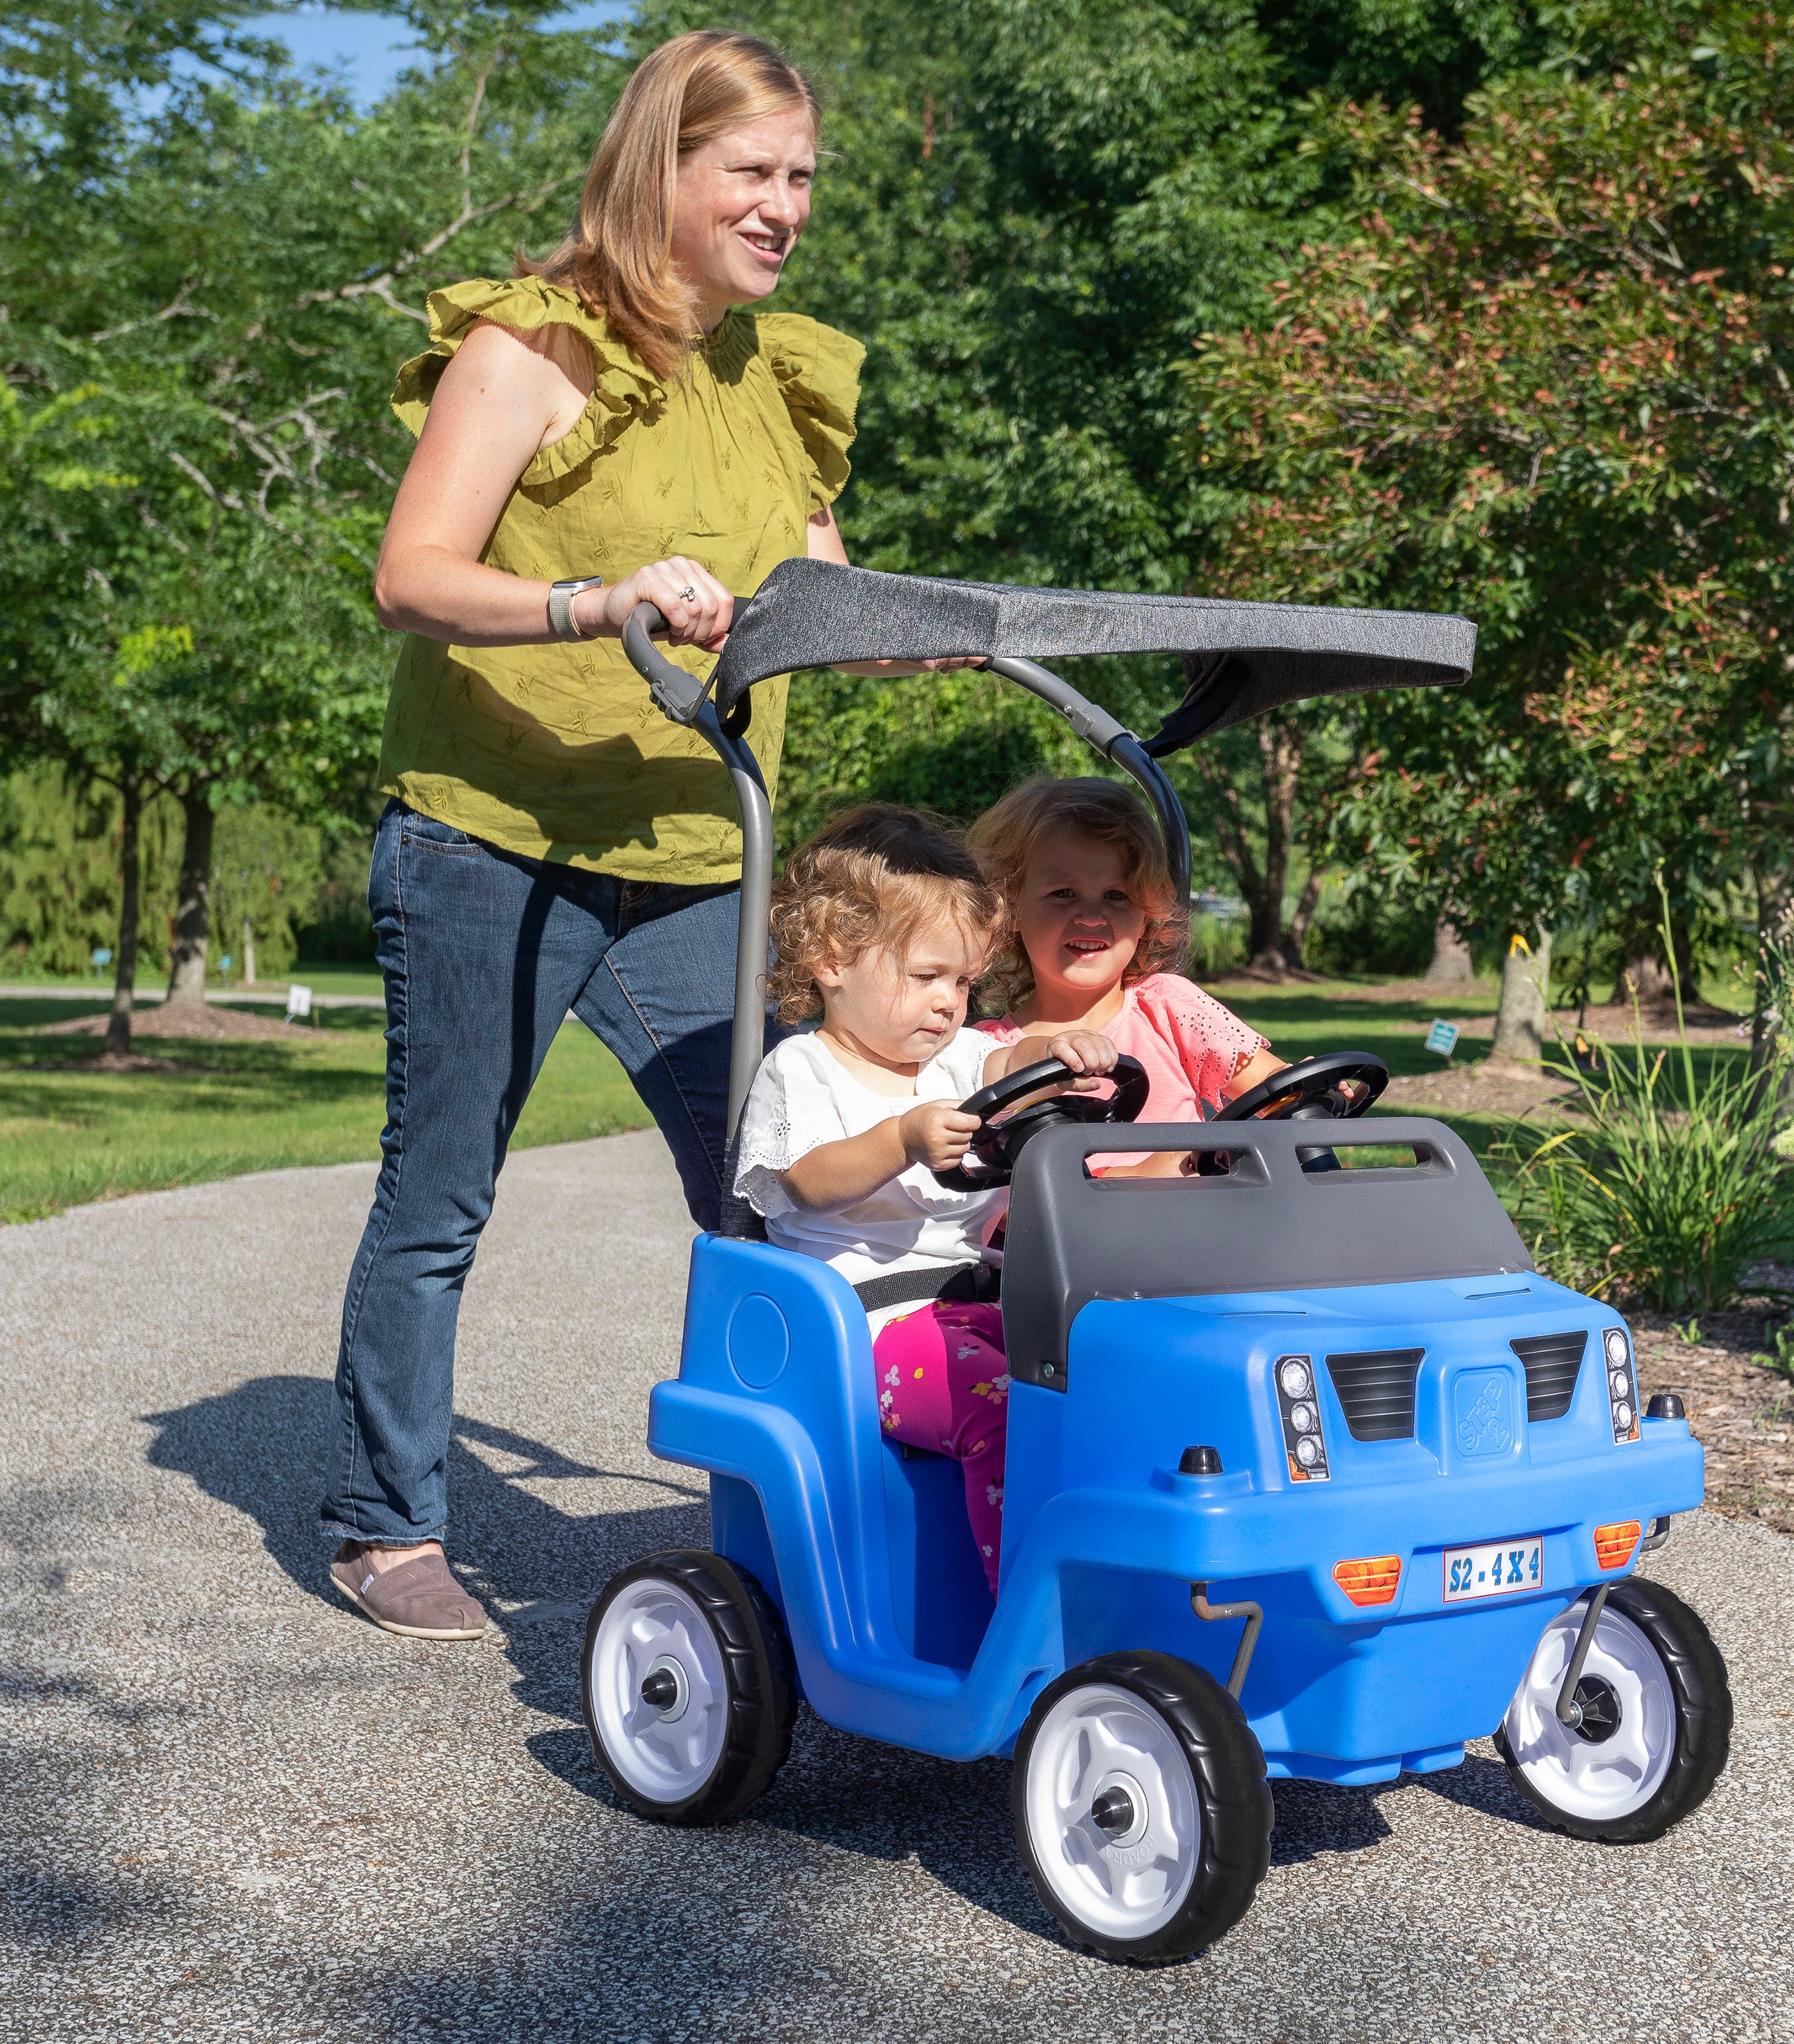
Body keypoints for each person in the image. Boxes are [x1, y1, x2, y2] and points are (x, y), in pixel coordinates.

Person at [324, 32, 961, 1642]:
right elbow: (411, 575)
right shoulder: (527, 348)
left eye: (802, 176)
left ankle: (822, 1500)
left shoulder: (771, 380)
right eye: (750, 172)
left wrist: (923, 629)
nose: (784, 206)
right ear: (655, 176)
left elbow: (823, 600)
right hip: (493, 835)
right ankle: (386, 1520)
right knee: (441, 1191)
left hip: (692, 850)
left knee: (769, 1194)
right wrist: (594, 601)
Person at [728, 806, 1118, 1593]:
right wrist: (899, 1139)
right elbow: (804, 1180)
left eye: (966, 982)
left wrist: (1058, 1048)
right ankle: (1027, 1608)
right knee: (1008, 1417)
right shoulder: (803, 1071)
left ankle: (1125, 1583)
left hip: (981, 1309)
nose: (951, 1003)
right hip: (864, 1333)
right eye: (927, 977)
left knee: (1120, 1385)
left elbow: (1011, 1056)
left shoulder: (958, 1059)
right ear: (834, 961)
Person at [968, 776, 1291, 1169]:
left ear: (1146, 915)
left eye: (1116, 896)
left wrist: (1305, 1092)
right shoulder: (988, 1054)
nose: (1090, 918)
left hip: (1210, 1223)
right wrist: (1136, 1175)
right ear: (1011, 909)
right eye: (1064, 894)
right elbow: (998, 1204)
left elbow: (1273, 1090)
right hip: (1075, 1228)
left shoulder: (1169, 1006)